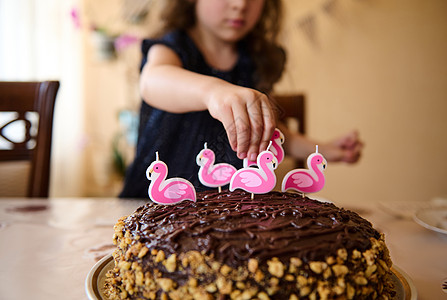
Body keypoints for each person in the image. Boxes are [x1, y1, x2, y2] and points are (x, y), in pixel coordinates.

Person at [119, 0, 362, 198]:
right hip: (151, 205)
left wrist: (323, 149)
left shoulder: (254, 60)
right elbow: (153, 81)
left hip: (225, 213)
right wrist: (213, 91)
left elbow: (264, 133)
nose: (240, 4)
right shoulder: (171, 46)